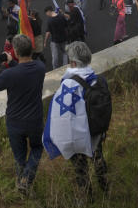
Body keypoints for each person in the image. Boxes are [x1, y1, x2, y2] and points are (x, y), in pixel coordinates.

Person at [44, 41, 110, 199]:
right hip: (96, 129)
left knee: (80, 166)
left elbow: (62, 117)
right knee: (98, 157)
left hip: (80, 134)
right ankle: (106, 189)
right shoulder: (99, 80)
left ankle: (88, 196)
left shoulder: (68, 84)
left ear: (73, 62)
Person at [0, 33, 46, 193]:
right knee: (37, 148)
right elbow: (24, 72)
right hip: (34, 119)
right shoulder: (40, 67)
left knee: (19, 156)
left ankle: (21, 181)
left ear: (16, 53)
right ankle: (27, 178)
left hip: (15, 121)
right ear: (31, 50)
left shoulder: (9, 75)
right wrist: (12, 63)